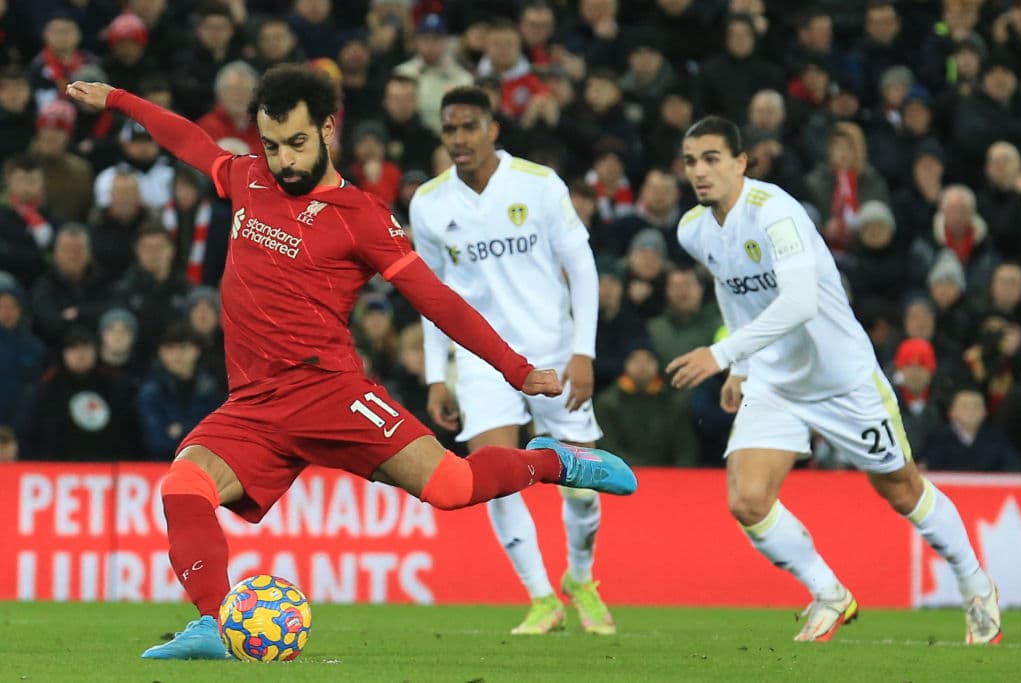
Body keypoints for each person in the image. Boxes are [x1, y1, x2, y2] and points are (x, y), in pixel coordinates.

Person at [66, 64, 635, 660]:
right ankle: (213, 623)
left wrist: (516, 369)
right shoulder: (248, 178)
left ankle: (553, 461)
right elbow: (188, 139)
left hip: (328, 393)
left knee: (451, 485)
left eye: (297, 143)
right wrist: (119, 99)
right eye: (271, 145)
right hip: (254, 405)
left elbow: (438, 302)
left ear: (328, 129)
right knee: (184, 484)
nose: (283, 160)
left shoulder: (361, 217)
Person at [667, 115, 1000, 645]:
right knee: (747, 500)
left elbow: (798, 302)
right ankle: (829, 593)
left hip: (841, 378)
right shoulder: (694, 230)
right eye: (690, 161)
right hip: (775, 379)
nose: (700, 172)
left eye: (711, 159)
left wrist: (721, 351)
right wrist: (743, 366)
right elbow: (731, 289)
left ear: (740, 162)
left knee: (902, 489)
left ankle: (977, 586)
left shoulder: (776, 212)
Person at [410, 86, 614, 636]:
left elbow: (584, 268)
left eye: (468, 127)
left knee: (582, 482)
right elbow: (429, 296)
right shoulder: (429, 202)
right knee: (492, 475)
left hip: (553, 350)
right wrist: (436, 375)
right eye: (449, 129)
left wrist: (584, 352)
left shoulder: (539, 184)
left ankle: (582, 579)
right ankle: (542, 598)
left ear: (492, 129)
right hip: (481, 361)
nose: (458, 139)